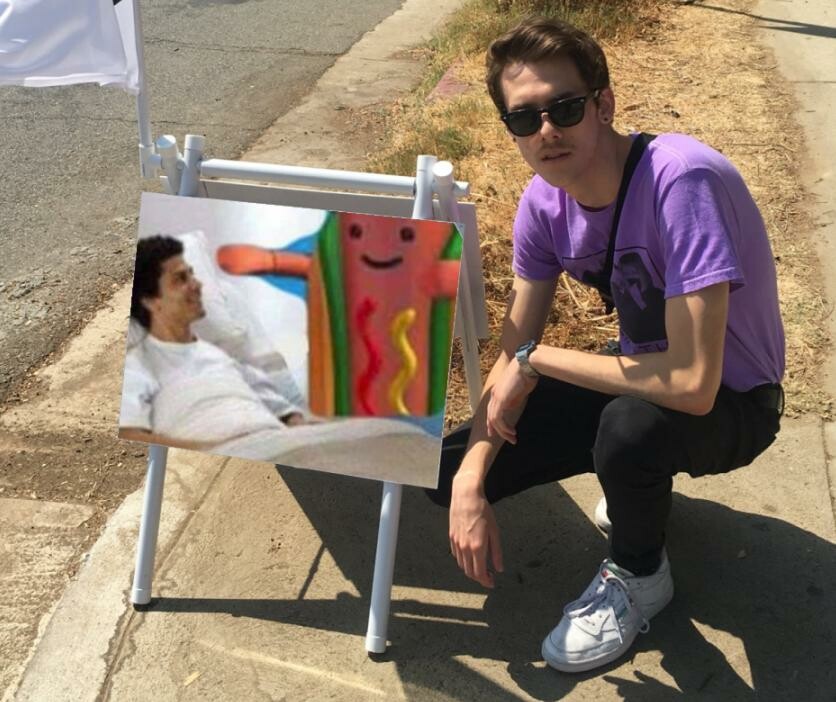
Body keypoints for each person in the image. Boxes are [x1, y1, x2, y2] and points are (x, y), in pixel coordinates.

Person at [427, 17, 784, 673]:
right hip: (648, 382)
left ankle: (640, 573)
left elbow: (693, 385)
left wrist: (534, 362)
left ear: (604, 104)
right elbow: (512, 349)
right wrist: (473, 480)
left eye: (564, 108)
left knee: (628, 431)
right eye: (523, 118)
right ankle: (633, 491)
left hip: (735, 404)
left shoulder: (681, 181)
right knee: (446, 471)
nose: (546, 131)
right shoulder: (543, 205)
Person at [119, 235, 308, 451]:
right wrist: (213, 448)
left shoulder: (219, 356)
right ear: (151, 301)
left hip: (282, 444)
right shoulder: (139, 366)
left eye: (192, 273)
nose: (197, 284)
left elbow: (285, 409)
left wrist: (300, 430)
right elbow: (130, 435)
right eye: (181, 278)